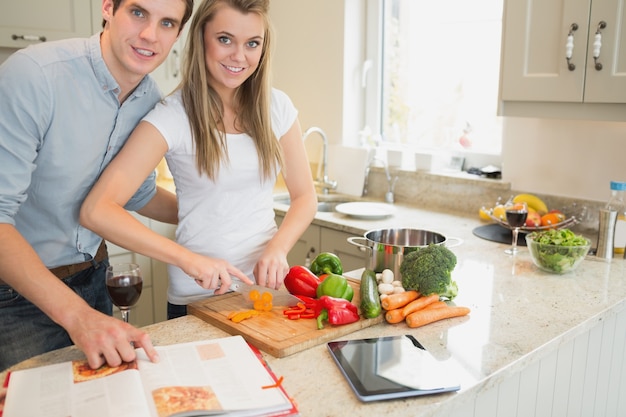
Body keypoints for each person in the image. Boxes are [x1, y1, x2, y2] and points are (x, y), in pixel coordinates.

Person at [80, 0, 318, 319]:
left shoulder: (277, 107)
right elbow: (97, 209)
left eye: (252, 43)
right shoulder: (173, 115)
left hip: (263, 291)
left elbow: (305, 197)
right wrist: (188, 259)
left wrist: (278, 248)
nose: (238, 56)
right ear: (201, 38)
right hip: (198, 297)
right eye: (224, 39)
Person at [0, 0, 196, 372]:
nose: (150, 35)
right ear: (108, 7)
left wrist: (218, 211)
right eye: (138, 12)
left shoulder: (150, 100)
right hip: (15, 296)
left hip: (94, 281)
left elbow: (140, 194)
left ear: (179, 33)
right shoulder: (35, 75)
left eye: (167, 22)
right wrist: (78, 317)